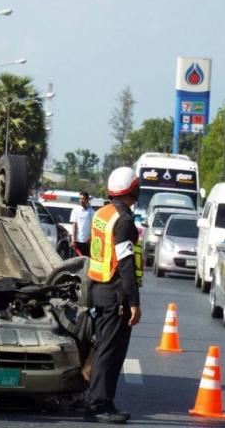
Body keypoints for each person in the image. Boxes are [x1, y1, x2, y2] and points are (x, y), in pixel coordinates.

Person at [85, 167, 143, 424]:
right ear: (133, 189)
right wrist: (134, 302)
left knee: (102, 349)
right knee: (111, 352)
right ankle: (98, 405)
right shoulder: (124, 220)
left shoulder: (102, 213)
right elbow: (126, 264)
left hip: (97, 287)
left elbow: (92, 249)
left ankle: (102, 400)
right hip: (115, 292)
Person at [70, 191, 93, 256]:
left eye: (83, 199)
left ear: (87, 199)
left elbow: (93, 227)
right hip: (78, 241)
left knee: (87, 261)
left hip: (88, 242)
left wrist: (90, 238)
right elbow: (74, 226)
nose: (81, 200)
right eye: (80, 198)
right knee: (77, 262)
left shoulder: (92, 212)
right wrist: (74, 240)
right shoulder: (75, 210)